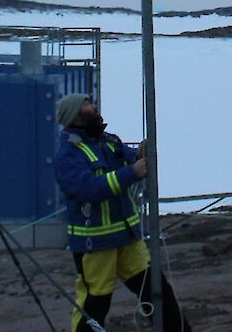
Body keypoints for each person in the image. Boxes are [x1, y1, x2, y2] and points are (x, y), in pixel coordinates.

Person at [52, 94, 192, 332]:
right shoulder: (69, 154)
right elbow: (89, 189)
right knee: (95, 305)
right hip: (94, 244)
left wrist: (141, 154)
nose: (93, 107)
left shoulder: (108, 142)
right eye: (86, 104)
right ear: (74, 115)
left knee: (157, 290)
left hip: (127, 238)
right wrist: (132, 172)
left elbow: (130, 160)